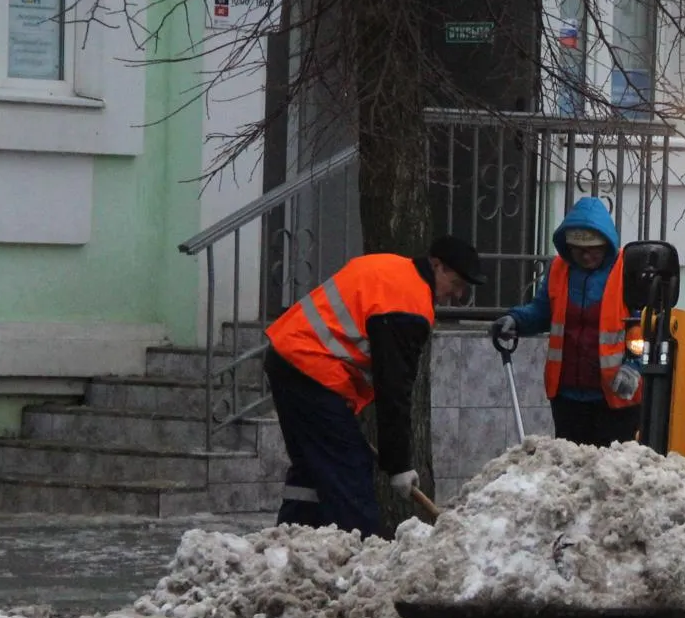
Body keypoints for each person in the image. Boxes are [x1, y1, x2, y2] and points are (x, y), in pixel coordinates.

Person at [264, 235, 486, 537]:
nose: (457, 295)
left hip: (290, 359)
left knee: (312, 466)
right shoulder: (408, 305)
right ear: (437, 266)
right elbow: (394, 388)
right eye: (457, 283)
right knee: (350, 470)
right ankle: (363, 559)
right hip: (310, 368)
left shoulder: (391, 268)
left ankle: (289, 541)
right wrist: (399, 465)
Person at [490, 197, 643, 446]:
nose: (585, 255)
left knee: (611, 473)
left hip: (614, 396)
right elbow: (542, 311)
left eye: (593, 248)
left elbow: (643, 327)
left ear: (607, 243)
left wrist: (634, 366)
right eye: (578, 249)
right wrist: (515, 320)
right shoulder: (559, 270)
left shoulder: (626, 270)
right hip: (568, 398)